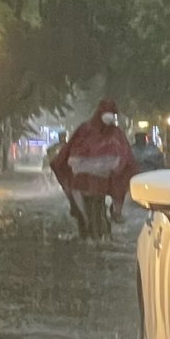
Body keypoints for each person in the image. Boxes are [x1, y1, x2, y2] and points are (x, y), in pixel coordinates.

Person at [49, 97, 136, 240]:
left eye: (112, 114)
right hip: (82, 178)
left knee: (100, 203)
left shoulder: (114, 132)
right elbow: (72, 151)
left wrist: (117, 165)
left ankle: (113, 214)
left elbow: (124, 153)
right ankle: (87, 222)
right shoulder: (86, 129)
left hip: (103, 178)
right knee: (82, 209)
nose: (109, 117)